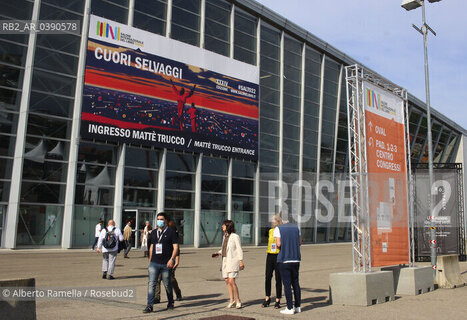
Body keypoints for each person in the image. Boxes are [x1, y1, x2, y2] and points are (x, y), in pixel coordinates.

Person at [143, 212, 179, 314]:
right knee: (151, 284)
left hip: (166, 263)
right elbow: (151, 247)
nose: (159, 221)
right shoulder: (154, 232)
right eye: (158, 219)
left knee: (167, 284)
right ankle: (149, 305)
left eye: (161, 219)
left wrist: (172, 259)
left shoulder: (171, 232)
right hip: (154, 262)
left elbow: (176, 247)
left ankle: (170, 302)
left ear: (166, 221)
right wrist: (150, 261)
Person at [212, 220, 244, 309]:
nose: (222, 226)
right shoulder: (225, 236)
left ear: (228, 226)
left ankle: (238, 300)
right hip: (225, 261)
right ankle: (231, 300)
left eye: (223, 225)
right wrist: (218, 253)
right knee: (227, 281)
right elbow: (224, 248)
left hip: (233, 261)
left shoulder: (235, 236)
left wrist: (241, 260)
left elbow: (239, 249)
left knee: (231, 281)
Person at [274, 219, 302, 315]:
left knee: (287, 284)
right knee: (296, 283)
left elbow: (278, 244)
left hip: (284, 259)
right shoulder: (296, 227)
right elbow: (300, 242)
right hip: (296, 258)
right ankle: (298, 306)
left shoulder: (278, 228)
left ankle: (289, 307)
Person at [154, 219, 182, 303]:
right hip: (158, 260)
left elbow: (176, 249)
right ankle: (157, 297)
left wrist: (176, 261)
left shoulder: (171, 233)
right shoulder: (157, 233)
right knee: (157, 279)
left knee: (171, 279)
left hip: (169, 261)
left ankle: (178, 293)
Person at [263, 214, 283, 309]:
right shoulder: (270, 231)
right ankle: (267, 297)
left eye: (273, 220)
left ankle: (278, 299)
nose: (272, 222)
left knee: (278, 278)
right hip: (270, 255)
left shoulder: (281, 230)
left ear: (278, 221)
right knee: (268, 276)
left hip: (278, 255)